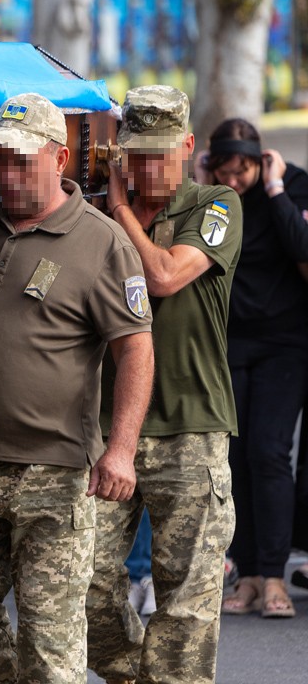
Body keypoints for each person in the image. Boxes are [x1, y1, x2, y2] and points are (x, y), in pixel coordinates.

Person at [0, 93, 154, 684]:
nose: (9, 172)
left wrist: (121, 449)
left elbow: (136, 350)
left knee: (51, 647)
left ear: (59, 158)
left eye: (23, 159)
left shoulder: (102, 241)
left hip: (55, 474)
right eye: (0, 159)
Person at [87, 85, 242, 684]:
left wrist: (120, 209)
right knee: (82, 587)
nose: (148, 166)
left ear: (186, 146)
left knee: (188, 605)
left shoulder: (215, 202)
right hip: (106, 429)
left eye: (159, 152)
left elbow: (165, 276)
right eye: (135, 153)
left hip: (193, 428)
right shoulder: (90, 212)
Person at [203, 118, 308, 619]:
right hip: (229, 346)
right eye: (224, 171)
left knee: (269, 454)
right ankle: (245, 574)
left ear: (260, 161)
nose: (234, 181)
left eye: (242, 171)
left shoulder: (290, 187)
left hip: (285, 344)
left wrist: (276, 187)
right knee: (236, 459)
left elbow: (302, 246)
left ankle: (274, 576)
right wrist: (204, 187)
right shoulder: (213, 199)